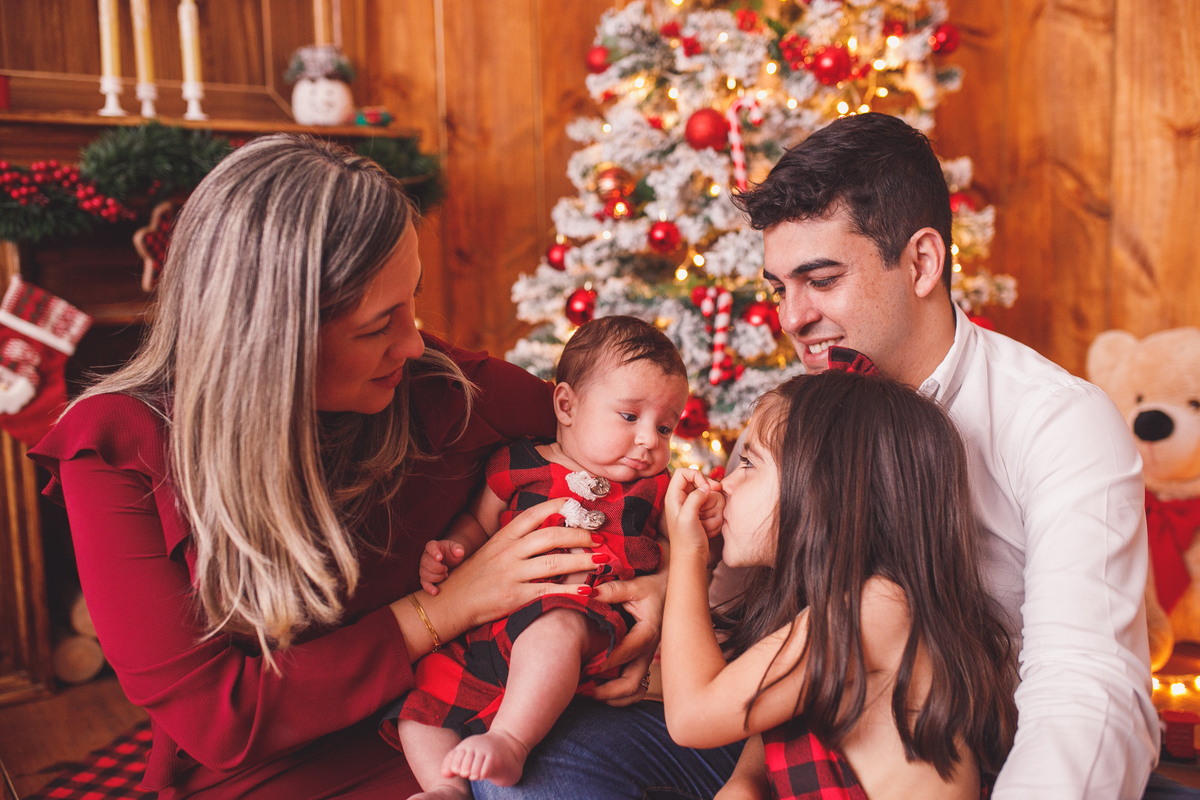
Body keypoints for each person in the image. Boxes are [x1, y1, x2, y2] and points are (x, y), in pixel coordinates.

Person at [27, 135, 662, 799]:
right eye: (377, 325)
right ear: (271, 343)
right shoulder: (116, 451)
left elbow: (612, 453)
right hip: (280, 765)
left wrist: (658, 592)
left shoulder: (448, 390)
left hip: (469, 715)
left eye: (412, 301)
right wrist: (447, 608)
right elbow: (219, 720)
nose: (414, 342)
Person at [734, 112, 1158, 798]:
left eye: (820, 278)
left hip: (982, 764)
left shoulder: (1057, 422)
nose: (791, 318)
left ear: (922, 262)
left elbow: (1086, 689)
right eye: (778, 287)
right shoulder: (799, 414)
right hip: (809, 744)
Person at [390, 315, 719, 798]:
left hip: (580, 618)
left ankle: (510, 739)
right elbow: (478, 523)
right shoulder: (520, 464)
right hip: (492, 629)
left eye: (665, 427)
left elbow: (680, 546)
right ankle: (447, 787)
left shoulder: (655, 488)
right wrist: (450, 551)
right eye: (630, 417)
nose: (651, 440)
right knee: (417, 705)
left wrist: (700, 522)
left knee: (554, 630)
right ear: (566, 405)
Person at [660, 368, 1019, 800]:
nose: (726, 483)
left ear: (823, 487)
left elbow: (692, 716)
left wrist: (687, 556)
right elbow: (755, 763)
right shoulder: (822, 610)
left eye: (750, 463)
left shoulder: (879, 608)